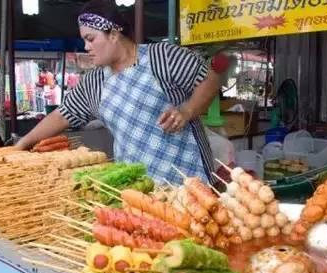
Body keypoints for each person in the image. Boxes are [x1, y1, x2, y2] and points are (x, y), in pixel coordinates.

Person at [15, 0, 222, 184]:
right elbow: (62, 115)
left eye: (91, 38)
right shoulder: (94, 82)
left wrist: (187, 110)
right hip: (138, 186)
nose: (86, 46)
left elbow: (210, 80)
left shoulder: (162, 57)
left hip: (189, 180)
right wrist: (24, 142)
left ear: (113, 35)